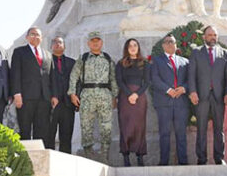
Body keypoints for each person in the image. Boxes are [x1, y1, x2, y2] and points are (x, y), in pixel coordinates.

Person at [68, 31, 119, 163]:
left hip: (105, 96)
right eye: (92, 41)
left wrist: (115, 96)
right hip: (87, 96)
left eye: (98, 40)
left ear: (101, 43)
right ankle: (88, 157)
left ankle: (104, 157)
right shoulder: (83, 58)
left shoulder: (108, 59)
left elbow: (113, 79)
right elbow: (74, 76)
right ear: (88, 43)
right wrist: (72, 93)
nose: (95, 43)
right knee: (86, 127)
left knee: (106, 128)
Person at [189, 25, 227, 164]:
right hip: (201, 96)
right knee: (201, 128)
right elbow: (191, 74)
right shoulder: (196, 53)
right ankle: (201, 159)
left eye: (215, 35)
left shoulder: (224, 53)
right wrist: (192, 91)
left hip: (219, 96)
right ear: (204, 37)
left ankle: (219, 158)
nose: (212, 37)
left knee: (219, 129)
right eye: (209, 35)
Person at [150, 34, 189, 166]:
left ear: (176, 44)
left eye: (172, 42)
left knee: (181, 134)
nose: (169, 44)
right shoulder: (157, 60)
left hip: (181, 103)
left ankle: (183, 162)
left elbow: (191, 80)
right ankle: (164, 163)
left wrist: (184, 88)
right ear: (163, 46)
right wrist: (168, 90)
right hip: (164, 103)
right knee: (164, 134)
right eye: (166, 42)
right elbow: (154, 79)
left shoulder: (185, 61)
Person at [10, 26, 52, 140]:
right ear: (27, 37)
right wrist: (16, 93)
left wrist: (52, 96)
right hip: (25, 97)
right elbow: (15, 74)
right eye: (32, 34)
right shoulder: (19, 52)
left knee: (42, 129)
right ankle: (25, 156)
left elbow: (50, 77)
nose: (35, 36)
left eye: (38, 34)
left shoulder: (48, 54)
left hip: (44, 98)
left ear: (41, 38)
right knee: (25, 129)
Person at [116, 38, 151, 166]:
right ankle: (126, 157)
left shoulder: (145, 63)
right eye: (130, 45)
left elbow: (147, 82)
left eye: (135, 45)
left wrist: (136, 94)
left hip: (140, 98)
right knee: (125, 126)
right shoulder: (121, 63)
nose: (132, 47)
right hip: (125, 97)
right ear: (126, 48)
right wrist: (129, 94)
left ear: (138, 47)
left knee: (139, 127)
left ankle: (140, 157)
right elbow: (119, 81)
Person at [47, 36, 76, 153]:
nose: (57, 44)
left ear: (64, 46)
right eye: (54, 42)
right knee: (49, 135)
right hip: (51, 104)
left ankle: (66, 162)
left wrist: (76, 99)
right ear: (51, 46)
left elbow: (77, 81)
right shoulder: (46, 61)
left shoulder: (72, 62)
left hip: (68, 105)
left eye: (60, 42)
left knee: (66, 136)